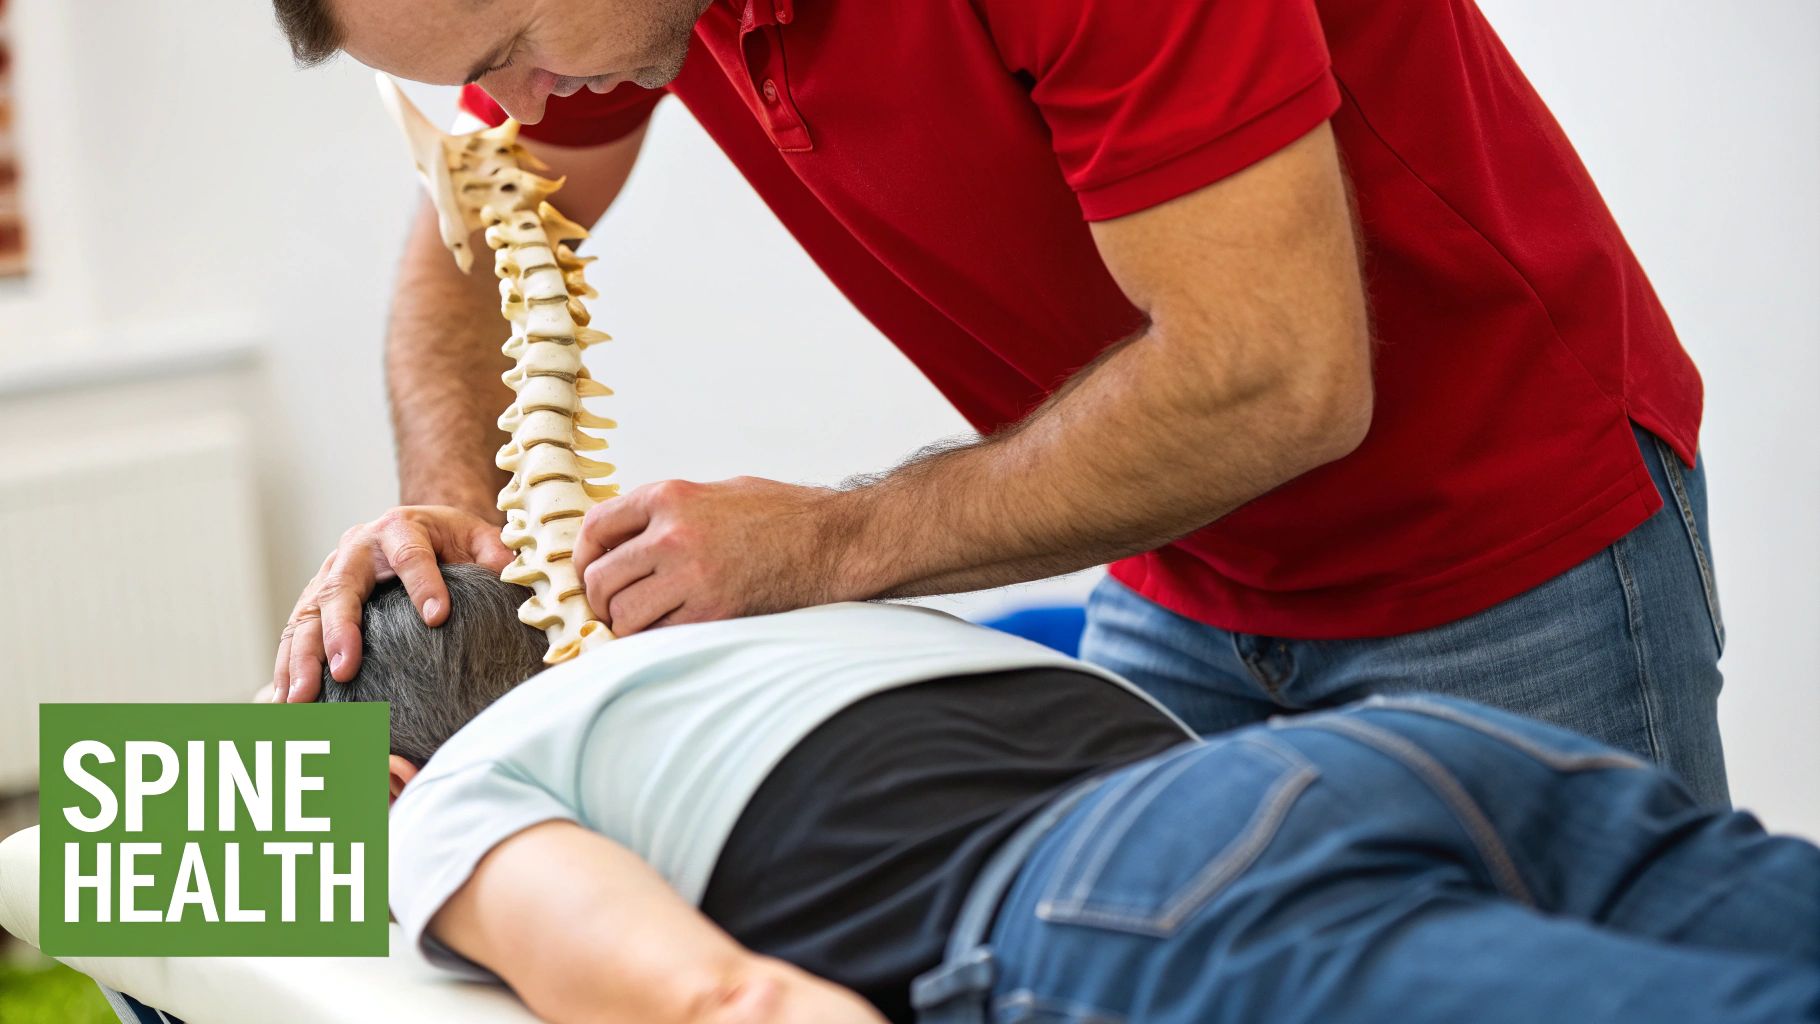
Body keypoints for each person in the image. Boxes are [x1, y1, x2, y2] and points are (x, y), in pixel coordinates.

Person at [267, 0, 1729, 807]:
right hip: (1182, 563)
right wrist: (449, 518)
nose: (521, 110)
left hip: (1498, 545)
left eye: (506, 54)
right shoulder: (606, 15)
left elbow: (1281, 379)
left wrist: (831, 543)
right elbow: (472, 240)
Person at [329, 566, 1818, 1024]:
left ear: (387, 787)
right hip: (1400, 753)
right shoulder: (775, 638)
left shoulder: (453, 794)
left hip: (1144, 894)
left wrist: (379, 810)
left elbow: (740, 1007)